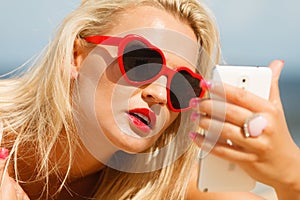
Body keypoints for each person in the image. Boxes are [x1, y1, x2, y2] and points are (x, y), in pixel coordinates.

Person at [0, 0, 299, 200]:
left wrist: (288, 172)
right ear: (75, 56)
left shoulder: (159, 184)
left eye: (183, 84)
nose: (157, 93)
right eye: (140, 60)